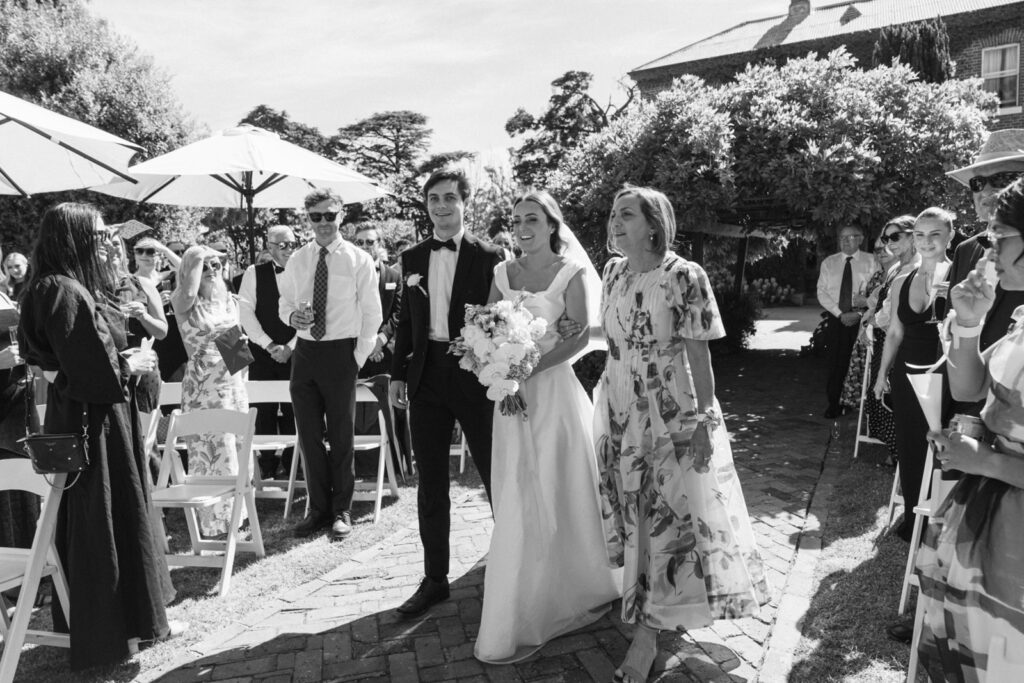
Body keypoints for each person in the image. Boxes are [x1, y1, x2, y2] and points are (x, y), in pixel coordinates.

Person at [593, 186, 769, 683]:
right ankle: (652, 610)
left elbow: (699, 357)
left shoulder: (684, 276)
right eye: (612, 214)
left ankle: (648, 635)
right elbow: (612, 340)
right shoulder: (612, 272)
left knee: (666, 522)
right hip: (620, 409)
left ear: (654, 223)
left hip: (669, 413)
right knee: (637, 518)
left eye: (626, 214)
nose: (614, 222)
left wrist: (701, 425)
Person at [18, 202, 180, 670]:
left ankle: (130, 622)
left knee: (110, 516)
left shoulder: (56, 287)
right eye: (97, 233)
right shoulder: (62, 291)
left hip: (86, 417)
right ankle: (111, 633)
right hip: (94, 423)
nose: (105, 240)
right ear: (73, 239)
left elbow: (57, 361)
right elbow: (90, 372)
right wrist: (131, 365)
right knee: (101, 520)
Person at [474, 190, 619, 663]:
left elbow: (577, 337)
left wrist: (530, 369)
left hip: (552, 391)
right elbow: (486, 327)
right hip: (509, 397)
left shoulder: (571, 272)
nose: (522, 227)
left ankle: (575, 582)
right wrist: (494, 363)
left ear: (552, 224)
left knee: (561, 481)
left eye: (532, 219)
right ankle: (520, 584)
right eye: (516, 220)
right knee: (516, 486)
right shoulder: (502, 272)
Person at [914, 178, 1024, 680]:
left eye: (1001, 234)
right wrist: (968, 322)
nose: (989, 245)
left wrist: (983, 461)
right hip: (989, 520)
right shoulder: (1021, 316)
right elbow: (970, 387)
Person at [389, 167, 504, 618]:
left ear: (464, 202)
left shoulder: (491, 255)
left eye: (449, 198)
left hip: (475, 375)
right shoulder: (412, 257)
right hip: (426, 377)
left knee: (496, 473)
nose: (440, 206)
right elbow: (407, 322)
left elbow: (502, 315)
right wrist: (399, 373)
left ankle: (510, 566)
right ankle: (435, 578)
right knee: (431, 483)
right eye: (433, 198)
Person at [279, 189, 382, 541]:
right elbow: (284, 304)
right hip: (305, 353)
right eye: (315, 217)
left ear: (342, 216)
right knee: (308, 435)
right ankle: (318, 509)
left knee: (341, 437)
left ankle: (342, 510)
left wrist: (357, 357)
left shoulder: (358, 259)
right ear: (307, 219)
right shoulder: (298, 259)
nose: (323, 223)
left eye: (329, 215)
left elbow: (372, 313)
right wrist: (293, 316)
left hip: (342, 353)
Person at [873, 207, 955, 541]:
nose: (926, 242)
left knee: (941, 445)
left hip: (945, 372)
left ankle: (941, 518)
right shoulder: (903, 277)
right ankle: (913, 518)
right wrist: (882, 376)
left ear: (950, 235)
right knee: (910, 445)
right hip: (907, 372)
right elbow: (893, 332)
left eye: (935, 234)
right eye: (920, 234)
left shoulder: (960, 274)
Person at [171, 245, 249, 536]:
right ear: (191, 270)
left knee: (236, 448)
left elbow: (237, 348)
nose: (213, 270)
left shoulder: (229, 300)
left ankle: (238, 514)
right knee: (211, 452)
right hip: (202, 387)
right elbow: (190, 292)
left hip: (231, 386)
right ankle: (215, 521)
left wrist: (241, 385)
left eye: (217, 265)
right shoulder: (182, 301)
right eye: (206, 266)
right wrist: (195, 257)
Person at [841, 216, 918, 459]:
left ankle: (901, 457)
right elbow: (878, 302)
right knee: (881, 399)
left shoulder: (916, 268)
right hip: (883, 342)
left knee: (895, 400)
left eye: (895, 237)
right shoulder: (896, 270)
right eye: (886, 238)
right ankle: (896, 454)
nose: (889, 243)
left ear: (912, 235)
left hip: (900, 343)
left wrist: (870, 321)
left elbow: (887, 315)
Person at [238, 225, 298, 480]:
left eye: (292, 244)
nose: (288, 249)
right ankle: (267, 465)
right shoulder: (254, 272)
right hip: (262, 353)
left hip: (297, 351)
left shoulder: (304, 271)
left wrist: (291, 347)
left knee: (295, 408)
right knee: (262, 408)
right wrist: (269, 344)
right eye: (282, 245)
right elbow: (245, 311)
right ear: (270, 247)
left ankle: (294, 463)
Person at [351, 223, 408, 470]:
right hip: (355, 353)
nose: (365, 246)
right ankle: (360, 464)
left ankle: (393, 464)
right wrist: (365, 344)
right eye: (360, 242)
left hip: (384, 354)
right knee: (355, 410)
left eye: (370, 242)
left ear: (379, 244)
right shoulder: (346, 276)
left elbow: (398, 314)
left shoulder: (394, 277)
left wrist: (379, 342)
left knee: (389, 409)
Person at [816, 225, 879, 418]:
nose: (846, 240)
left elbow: (879, 291)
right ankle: (834, 403)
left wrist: (860, 314)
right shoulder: (829, 262)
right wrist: (839, 314)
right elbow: (822, 292)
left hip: (863, 319)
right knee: (835, 361)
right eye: (842, 237)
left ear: (860, 239)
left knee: (859, 362)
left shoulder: (873, 261)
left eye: (851, 237)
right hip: (837, 318)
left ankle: (857, 403)